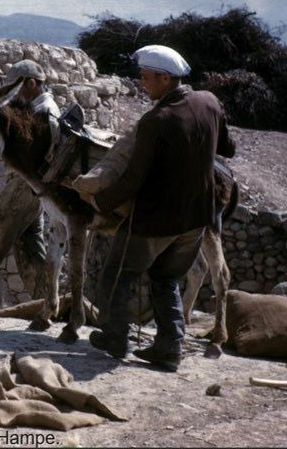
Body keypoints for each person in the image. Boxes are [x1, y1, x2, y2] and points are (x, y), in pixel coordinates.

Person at [78, 45, 235, 371]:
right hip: (197, 217)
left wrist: (98, 201)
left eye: (146, 77)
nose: (142, 82)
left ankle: (116, 338)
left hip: (156, 219)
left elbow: (133, 179)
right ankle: (169, 348)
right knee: (166, 278)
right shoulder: (209, 102)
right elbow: (227, 148)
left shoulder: (155, 121)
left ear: (165, 78)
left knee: (117, 274)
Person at [0, 59, 62, 310]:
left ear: (32, 83)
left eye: (16, 89)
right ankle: (49, 305)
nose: (12, 96)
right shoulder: (38, 108)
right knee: (28, 246)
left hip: (26, 185)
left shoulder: (44, 111)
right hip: (32, 188)